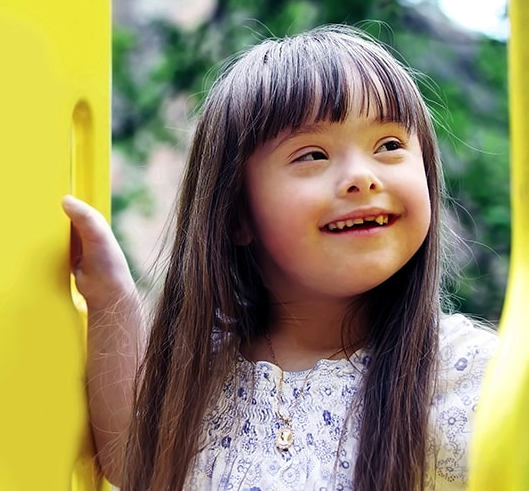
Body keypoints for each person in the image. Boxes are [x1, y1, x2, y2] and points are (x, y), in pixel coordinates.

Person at [63, 25, 497, 491]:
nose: (362, 177)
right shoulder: (204, 369)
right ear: (236, 213)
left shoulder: (467, 372)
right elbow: (135, 463)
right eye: (312, 154)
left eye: (389, 145)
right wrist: (112, 297)